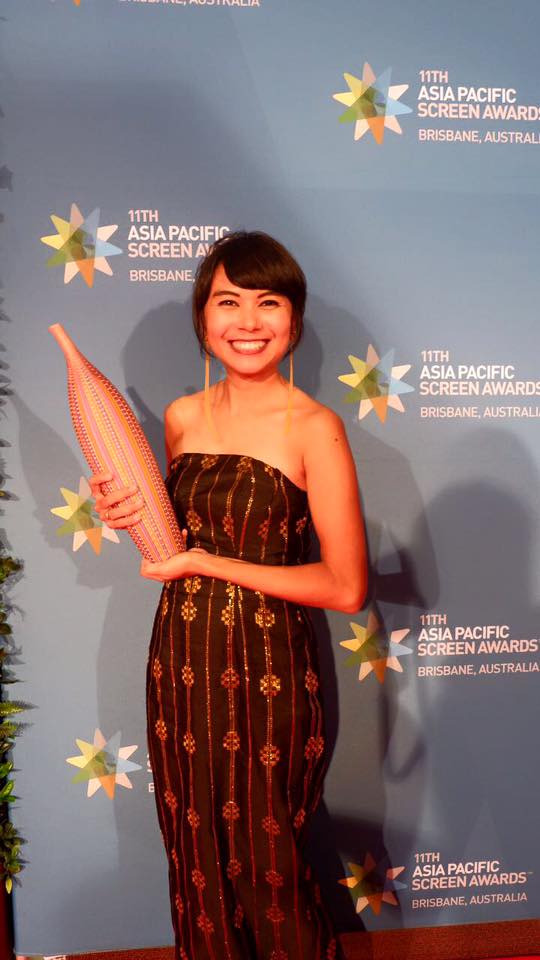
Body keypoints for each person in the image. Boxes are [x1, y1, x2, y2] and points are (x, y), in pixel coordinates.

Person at [89, 231, 367, 960]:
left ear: (294, 319)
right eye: (228, 301)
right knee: (195, 863)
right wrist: (126, 515)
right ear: (203, 316)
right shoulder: (182, 417)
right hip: (181, 665)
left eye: (267, 302)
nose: (247, 321)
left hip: (268, 672)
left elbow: (344, 586)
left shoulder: (316, 428)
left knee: (269, 867)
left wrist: (210, 563)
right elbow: (172, 545)